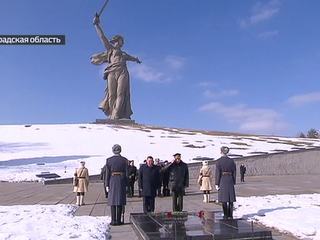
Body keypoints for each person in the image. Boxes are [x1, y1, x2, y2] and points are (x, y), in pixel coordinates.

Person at [92, 14, 141, 120]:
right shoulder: (110, 50)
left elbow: (132, 58)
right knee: (111, 94)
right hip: (111, 71)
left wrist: (136, 60)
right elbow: (102, 37)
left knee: (121, 93)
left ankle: (116, 115)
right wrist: (97, 25)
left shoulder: (124, 54)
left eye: (118, 41)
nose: (117, 43)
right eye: (116, 41)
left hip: (122, 72)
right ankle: (111, 114)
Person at [105, 144, 128, 225]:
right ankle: (118, 220)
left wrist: (107, 185)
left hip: (112, 180)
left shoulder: (109, 160)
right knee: (119, 201)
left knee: (113, 201)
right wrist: (127, 184)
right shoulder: (124, 160)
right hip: (121, 181)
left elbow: (107, 174)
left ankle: (113, 220)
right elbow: (126, 173)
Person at [215, 146, 236, 220]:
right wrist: (233, 181)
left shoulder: (219, 161)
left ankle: (225, 214)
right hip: (230, 179)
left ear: (221, 151)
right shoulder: (231, 161)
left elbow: (218, 173)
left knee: (224, 199)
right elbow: (234, 172)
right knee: (230, 199)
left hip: (222, 179)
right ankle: (230, 215)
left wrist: (217, 183)